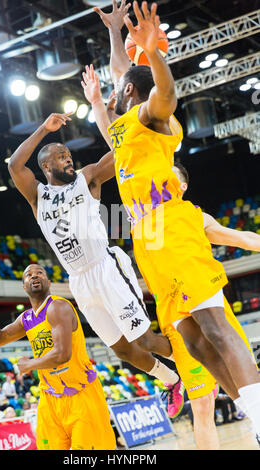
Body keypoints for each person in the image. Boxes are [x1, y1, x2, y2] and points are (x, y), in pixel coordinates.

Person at [93, 0, 260, 443]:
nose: (116, 85)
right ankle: (248, 408)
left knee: (216, 329)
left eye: (122, 85)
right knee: (194, 342)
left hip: (173, 228)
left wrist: (154, 54)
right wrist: (114, 32)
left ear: (131, 91)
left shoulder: (151, 118)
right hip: (147, 242)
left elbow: (164, 95)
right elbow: (119, 73)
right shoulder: (122, 128)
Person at [7, 105, 185, 415]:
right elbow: (14, 164)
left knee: (142, 338)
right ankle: (172, 381)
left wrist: (131, 120)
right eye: (62, 156)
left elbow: (117, 154)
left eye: (69, 156)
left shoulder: (86, 178)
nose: (69, 159)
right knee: (121, 349)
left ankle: (191, 360)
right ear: (46, 164)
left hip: (106, 267)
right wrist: (44, 130)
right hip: (78, 280)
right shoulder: (38, 195)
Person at [0, 264, 116, 450]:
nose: (34, 276)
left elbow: (62, 354)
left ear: (49, 282)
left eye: (40, 273)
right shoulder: (27, 318)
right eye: (29, 275)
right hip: (50, 397)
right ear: (24, 286)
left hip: (81, 393)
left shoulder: (58, 306)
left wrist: (30, 364)